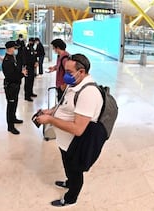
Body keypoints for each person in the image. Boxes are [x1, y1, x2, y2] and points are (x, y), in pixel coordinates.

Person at [35, 54, 106, 207]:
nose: (65, 74)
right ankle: (69, 182)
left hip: (75, 143)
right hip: (64, 141)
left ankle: (70, 198)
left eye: (68, 71)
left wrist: (51, 120)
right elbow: (64, 105)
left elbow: (78, 129)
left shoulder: (88, 93)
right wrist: (51, 111)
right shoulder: (74, 84)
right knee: (68, 166)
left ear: (81, 72)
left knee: (75, 170)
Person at [2, 41, 28, 135]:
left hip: (15, 85)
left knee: (14, 103)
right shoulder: (7, 61)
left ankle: (13, 118)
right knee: (11, 105)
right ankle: (10, 126)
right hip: (11, 86)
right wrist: (22, 74)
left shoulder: (12, 58)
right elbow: (10, 76)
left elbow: (15, 71)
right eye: (14, 48)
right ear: (9, 48)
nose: (15, 50)